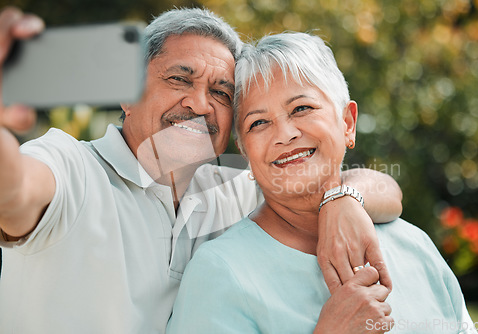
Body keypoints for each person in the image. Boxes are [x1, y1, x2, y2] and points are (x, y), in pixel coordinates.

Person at [0, 7, 402, 334]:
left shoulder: (233, 187)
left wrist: (341, 199)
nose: (200, 104)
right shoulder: (72, 168)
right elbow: (14, 187)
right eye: (180, 79)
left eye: (221, 93)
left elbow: (383, 188)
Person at [167, 32, 477, 334]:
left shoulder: (415, 245)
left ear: (347, 123)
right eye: (258, 122)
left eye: (301, 108)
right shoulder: (220, 272)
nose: (285, 134)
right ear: (245, 150)